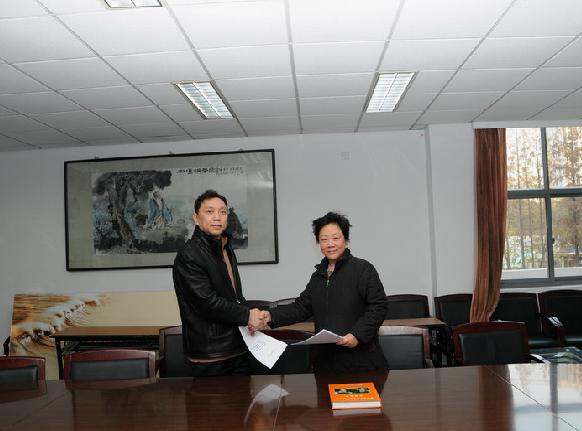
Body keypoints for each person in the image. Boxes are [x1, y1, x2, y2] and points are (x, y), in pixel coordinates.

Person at [258, 212, 388, 373]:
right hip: (326, 363)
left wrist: (357, 335)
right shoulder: (318, 276)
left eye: (335, 238)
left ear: (346, 239)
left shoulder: (363, 269)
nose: (330, 244)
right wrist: (270, 316)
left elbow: (378, 306)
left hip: (360, 360)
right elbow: (300, 308)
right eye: (324, 239)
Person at [173, 190, 264, 376]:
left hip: (238, 348)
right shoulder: (189, 255)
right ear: (196, 218)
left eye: (223, 212)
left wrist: (253, 316)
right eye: (210, 211)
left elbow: (234, 298)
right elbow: (207, 304)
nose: (217, 217)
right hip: (211, 355)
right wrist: (248, 315)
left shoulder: (226, 248)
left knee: (245, 396)